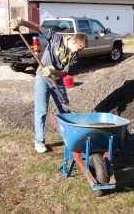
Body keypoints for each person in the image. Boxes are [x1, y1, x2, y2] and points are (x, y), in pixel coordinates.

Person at [9, 17, 87, 153]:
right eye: (79, 48)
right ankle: (39, 141)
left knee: (65, 109)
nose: (78, 52)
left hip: (57, 81)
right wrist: (22, 22)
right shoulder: (56, 38)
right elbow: (38, 27)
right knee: (41, 110)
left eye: (81, 50)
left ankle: (70, 138)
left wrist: (52, 70)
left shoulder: (74, 56)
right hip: (42, 78)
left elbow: (64, 74)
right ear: (73, 42)